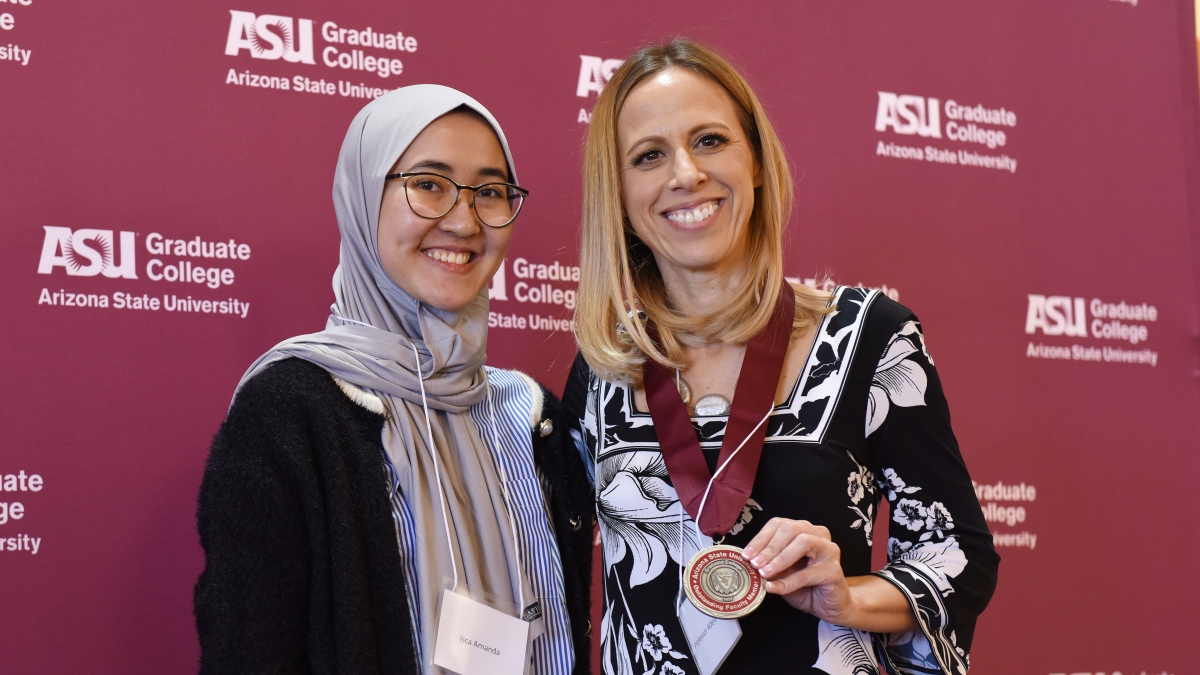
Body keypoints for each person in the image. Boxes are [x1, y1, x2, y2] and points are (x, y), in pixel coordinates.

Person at [564, 39, 998, 675]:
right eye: (649, 155)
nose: (685, 173)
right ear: (621, 195)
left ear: (758, 162)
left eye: (710, 140)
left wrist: (849, 599)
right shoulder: (605, 367)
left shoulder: (871, 337)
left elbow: (958, 554)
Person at [194, 84, 592, 675]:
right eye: (428, 185)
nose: (463, 221)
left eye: (489, 192)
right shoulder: (290, 412)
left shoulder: (532, 416)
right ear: (362, 198)